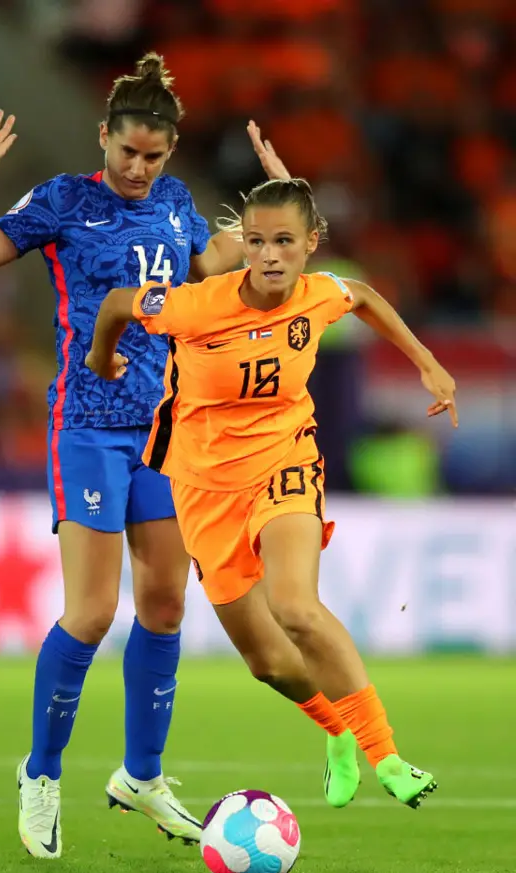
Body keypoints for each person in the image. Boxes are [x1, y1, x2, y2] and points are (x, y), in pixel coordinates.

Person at [0, 53, 253, 859]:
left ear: (171, 151)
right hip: (86, 427)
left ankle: (140, 776)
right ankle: (41, 774)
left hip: (162, 431)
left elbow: (213, 268)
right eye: (127, 153)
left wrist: (259, 232)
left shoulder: (177, 204)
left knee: (166, 607)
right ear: (102, 138)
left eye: (153, 155)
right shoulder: (64, 201)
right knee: (90, 611)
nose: (139, 168)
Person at [86, 175, 458, 810]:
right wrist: (101, 359)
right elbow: (119, 303)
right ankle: (337, 732)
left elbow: (363, 296)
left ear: (310, 244)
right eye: (256, 242)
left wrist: (425, 360)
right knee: (268, 663)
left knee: (296, 607)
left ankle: (387, 757)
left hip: (286, 463)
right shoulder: (195, 305)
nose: (270, 255)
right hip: (203, 488)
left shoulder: (317, 296)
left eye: (285, 241)